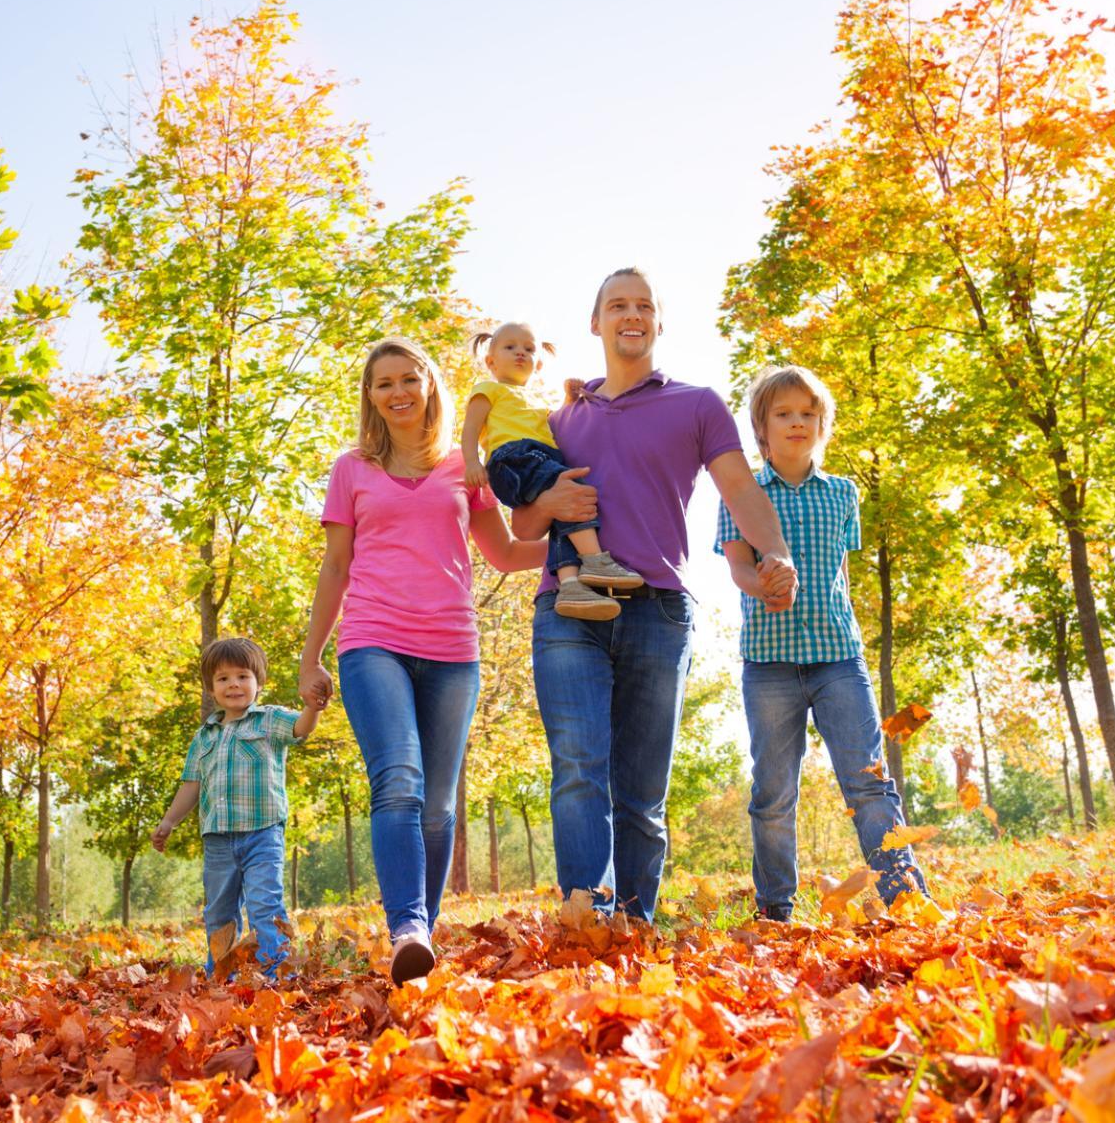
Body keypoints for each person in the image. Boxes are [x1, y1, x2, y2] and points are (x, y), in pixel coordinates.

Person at [511, 267, 799, 922]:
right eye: (617, 305)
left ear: (660, 323)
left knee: (640, 793)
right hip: (570, 603)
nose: (630, 315)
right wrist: (549, 499)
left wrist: (773, 554)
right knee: (580, 767)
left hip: (659, 610)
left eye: (644, 306)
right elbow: (523, 525)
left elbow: (743, 491)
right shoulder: (559, 417)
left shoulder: (697, 404)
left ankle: (634, 926)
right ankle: (590, 919)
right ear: (596, 323)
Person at [299, 336, 546, 985]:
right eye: (384, 383)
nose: (399, 391)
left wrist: (569, 529)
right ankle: (406, 924)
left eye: (410, 378)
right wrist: (311, 658)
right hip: (372, 640)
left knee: (438, 807)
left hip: (452, 651)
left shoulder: (466, 468)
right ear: (370, 397)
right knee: (400, 781)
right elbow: (335, 566)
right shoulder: (351, 467)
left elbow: (508, 554)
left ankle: (419, 948)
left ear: (431, 385)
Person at [715, 363, 929, 920]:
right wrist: (761, 584)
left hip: (838, 658)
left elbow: (839, 574)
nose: (796, 423)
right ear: (761, 427)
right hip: (769, 663)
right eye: (783, 414)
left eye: (808, 414)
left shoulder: (842, 494)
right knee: (773, 795)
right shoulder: (741, 493)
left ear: (822, 425)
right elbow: (738, 567)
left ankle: (906, 901)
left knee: (870, 785)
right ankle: (775, 912)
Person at [151, 636, 326, 978]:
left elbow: (300, 729)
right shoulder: (204, 736)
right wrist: (169, 821)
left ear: (258, 682)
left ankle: (277, 970)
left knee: (265, 904)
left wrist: (313, 707)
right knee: (219, 911)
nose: (234, 684)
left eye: (243, 676)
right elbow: (192, 785)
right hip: (218, 839)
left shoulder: (268, 720)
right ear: (211, 689)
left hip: (262, 833)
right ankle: (223, 971)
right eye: (223, 678)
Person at [460, 319, 643, 621]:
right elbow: (470, 429)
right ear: (491, 361)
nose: (520, 353)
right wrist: (472, 462)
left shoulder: (536, 401)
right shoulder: (488, 389)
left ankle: (571, 584)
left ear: (539, 365)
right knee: (570, 487)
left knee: (563, 510)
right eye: (510, 347)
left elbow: (553, 425)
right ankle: (595, 559)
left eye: (529, 349)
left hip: (537, 456)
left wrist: (570, 400)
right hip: (513, 457)